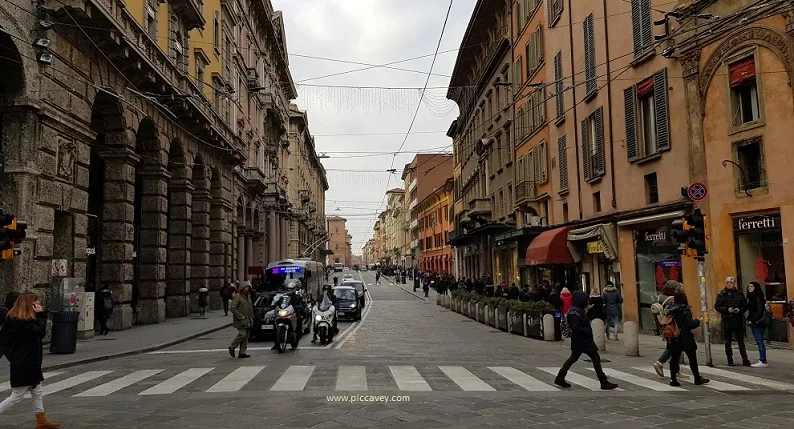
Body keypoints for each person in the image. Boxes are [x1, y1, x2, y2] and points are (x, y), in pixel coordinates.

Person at [0, 292, 60, 428]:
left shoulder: (22, 320)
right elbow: (40, 332)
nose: (39, 305)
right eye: (37, 302)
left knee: (37, 391)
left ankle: (41, 419)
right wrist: (41, 315)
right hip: (24, 363)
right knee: (17, 396)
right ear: (30, 304)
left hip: (30, 362)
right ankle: (41, 419)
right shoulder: (20, 322)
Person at [555, 291, 619, 390]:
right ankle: (603, 381)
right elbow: (576, 327)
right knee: (595, 357)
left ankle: (560, 377)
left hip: (580, 340)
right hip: (582, 340)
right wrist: (587, 331)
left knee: (574, 358)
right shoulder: (575, 313)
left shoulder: (577, 310)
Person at [664, 290, 710, 387]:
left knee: (674, 358)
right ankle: (697, 378)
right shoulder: (685, 309)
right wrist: (697, 321)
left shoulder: (670, 309)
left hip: (673, 336)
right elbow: (689, 324)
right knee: (692, 358)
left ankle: (673, 379)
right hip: (685, 337)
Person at [651, 281, 688, 380]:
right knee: (674, 348)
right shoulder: (672, 299)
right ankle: (660, 362)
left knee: (673, 347)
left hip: (666, 325)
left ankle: (676, 371)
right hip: (674, 326)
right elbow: (676, 312)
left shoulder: (661, 296)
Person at [714, 276, 750, 366]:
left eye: (731, 282)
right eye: (727, 283)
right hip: (727, 320)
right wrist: (726, 309)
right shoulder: (722, 294)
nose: (729, 284)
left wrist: (739, 309)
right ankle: (730, 359)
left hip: (738, 320)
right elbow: (717, 306)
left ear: (734, 284)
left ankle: (745, 359)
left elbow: (745, 306)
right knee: (728, 341)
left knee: (740, 341)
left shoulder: (739, 294)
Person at [746, 281, 770, 367]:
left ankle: (762, 360)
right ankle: (762, 359)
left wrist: (751, 320)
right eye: (748, 286)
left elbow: (759, 311)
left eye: (751, 286)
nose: (749, 288)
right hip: (755, 321)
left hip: (758, 322)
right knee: (759, 341)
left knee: (759, 341)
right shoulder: (751, 297)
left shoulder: (758, 298)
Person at [228, 282, 253, 359]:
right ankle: (232, 347)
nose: (247, 289)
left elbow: (250, 308)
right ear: (242, 288)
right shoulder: (238, 296)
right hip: (241, 320)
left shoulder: (248, 296)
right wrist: (241, 316)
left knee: (246, 336)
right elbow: (233, 308)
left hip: (248, 319)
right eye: (246, 287)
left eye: (248, 287)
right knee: (242, 334)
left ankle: (242, 352)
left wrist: (252, 317)